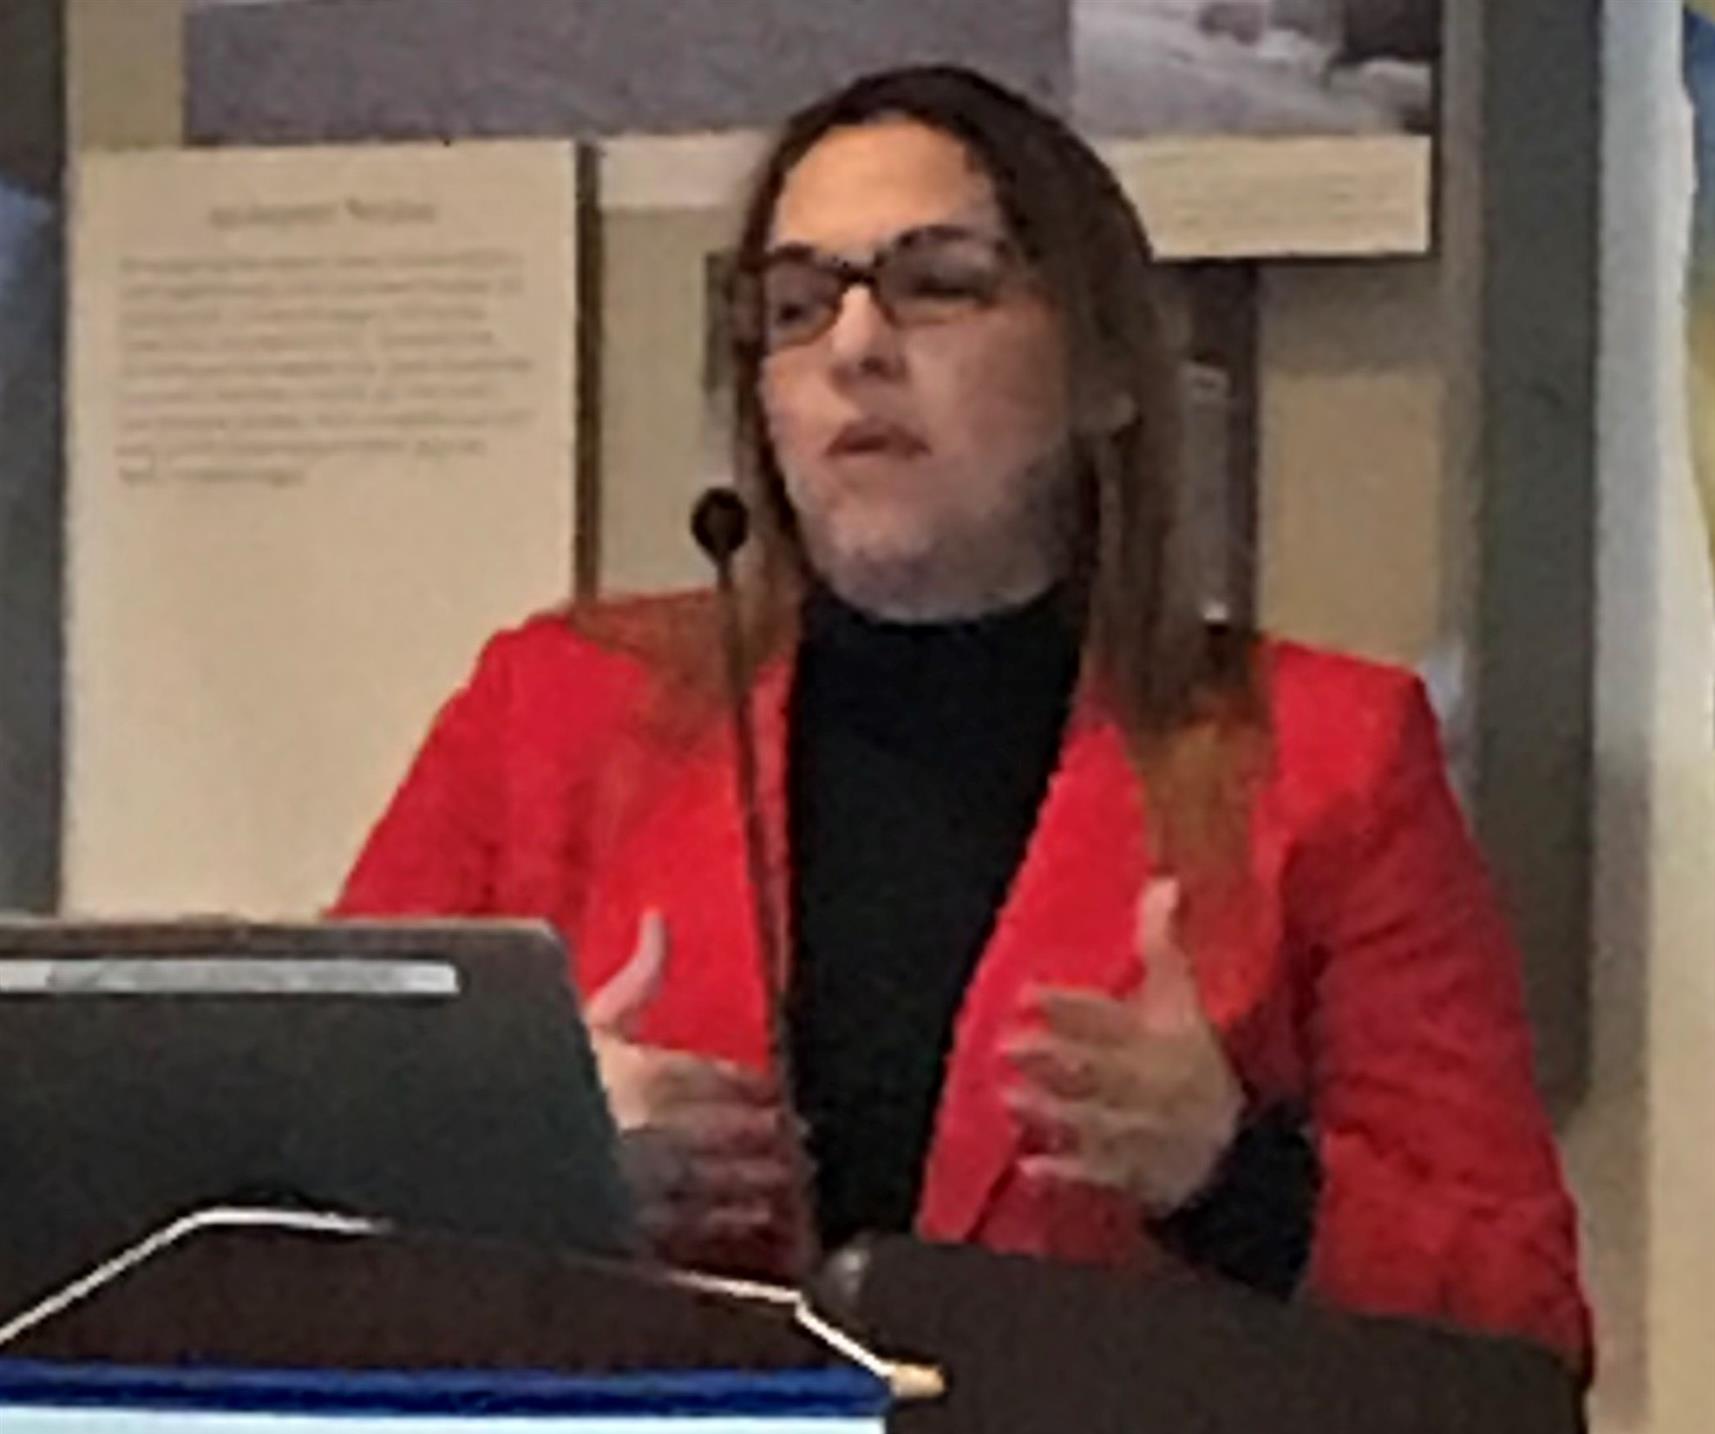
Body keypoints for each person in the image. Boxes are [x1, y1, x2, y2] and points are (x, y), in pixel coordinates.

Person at [339, 65, 1589, 1364]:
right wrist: (535, 1160)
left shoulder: (1332, 755)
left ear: (1103, 370)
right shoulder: (549, 713)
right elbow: (293, 1183)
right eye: (796, 304)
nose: (855, 347)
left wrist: (1236, 1177)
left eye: (938, 283)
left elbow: (1531, 1320)